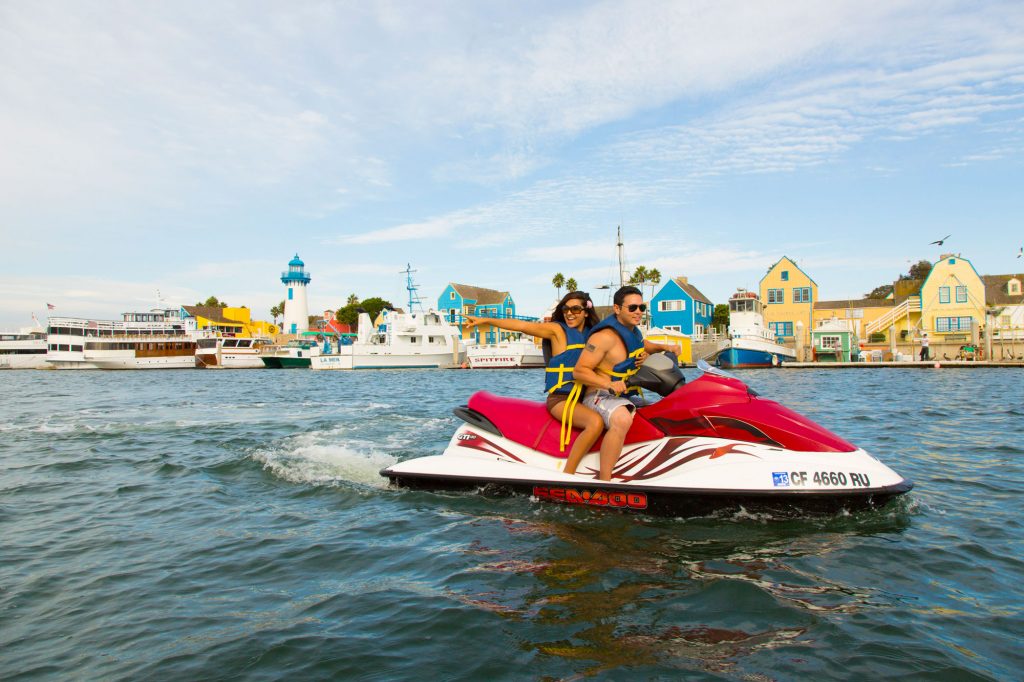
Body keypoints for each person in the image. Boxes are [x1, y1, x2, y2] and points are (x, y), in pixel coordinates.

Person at [463, 291, 604, 475]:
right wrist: (486, 321)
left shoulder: (594, 336)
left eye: (576, 309)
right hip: (561, 399)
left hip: (586, 398)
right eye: (566, 309)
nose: (569, 313)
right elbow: (522, 325)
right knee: (595, 423)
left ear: (586, 311)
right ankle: (568, 475)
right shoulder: (557, 331)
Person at [572, 285, 683, 480]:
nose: (638, 312)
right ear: (617, 309)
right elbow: (579, 371)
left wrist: (666, 347)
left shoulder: (633, 332)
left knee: (662, 410)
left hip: (623, 395)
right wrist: (609, 385)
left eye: (642, 308)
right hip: (599, 396)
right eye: (632, 308)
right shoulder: (603, 337)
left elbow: (644, 345)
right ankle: (605, 480)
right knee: (622, 419)